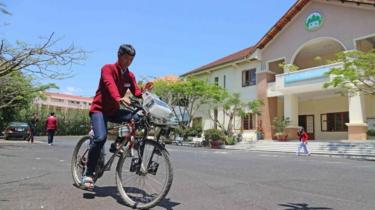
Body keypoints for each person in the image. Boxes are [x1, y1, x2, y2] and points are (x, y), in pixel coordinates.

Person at [82, 44, 153, 189]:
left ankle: (116, 144)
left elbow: (136, 92)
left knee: (137, 116)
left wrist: (144, 92)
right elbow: (109, 84)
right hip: (99, 110)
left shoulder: (130, 75)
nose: (128, 62)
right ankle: (88, 174)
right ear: (119, 56)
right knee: (101, 138)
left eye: (131, 59)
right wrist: (118, 97)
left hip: (113, 111)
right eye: (126, 58)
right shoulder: (107, 68)